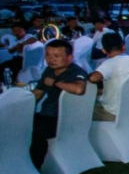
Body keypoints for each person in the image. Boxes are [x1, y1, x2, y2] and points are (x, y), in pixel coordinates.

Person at [30, 39, 89, 167]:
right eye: (48, 55)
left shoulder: (75, 72)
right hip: (46, 114)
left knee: (33, 131)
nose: (51, 59)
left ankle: (35, 166)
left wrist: (55, 83)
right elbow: (38, 93)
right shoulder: (49, 70)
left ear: (69, 58)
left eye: (56, 56)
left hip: (61, 118)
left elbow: (79, 89)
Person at [87, 32, 129, 121]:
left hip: (113, 112)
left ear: (104, 50)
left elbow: (93, 78)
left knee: (80, 110)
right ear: (123, 47)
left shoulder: (109, 63)